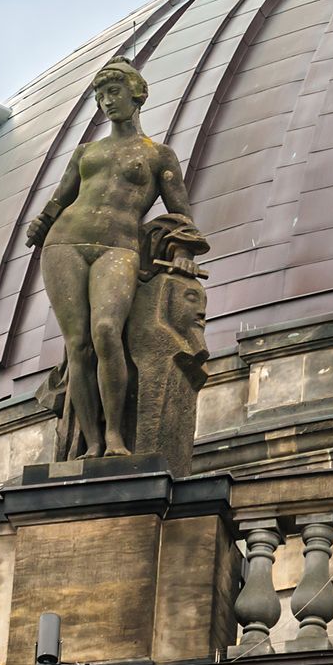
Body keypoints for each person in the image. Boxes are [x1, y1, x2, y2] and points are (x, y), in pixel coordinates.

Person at [25, 58, 197, 458]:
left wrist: (185, 250)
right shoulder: (86, 151)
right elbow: (60, 198)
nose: (106, 101)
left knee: (106, 330)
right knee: (78, 344)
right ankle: (93, 443)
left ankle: (117, 435)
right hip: (64, 243)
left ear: (137, 94)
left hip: (118, 248)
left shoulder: (158, 155)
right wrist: (41, 222)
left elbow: (181, 214)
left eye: (114, 92)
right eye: (100, 95)